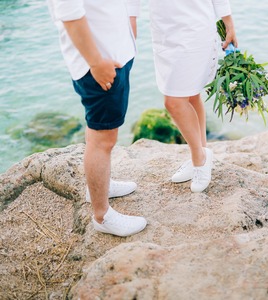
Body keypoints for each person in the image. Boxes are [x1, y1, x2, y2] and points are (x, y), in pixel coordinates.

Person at [47, 0, 147, 237]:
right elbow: (69, 12)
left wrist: (131, 19)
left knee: (103, 134)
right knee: (103, 139)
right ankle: (102, 215)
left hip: (116, 53)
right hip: (99, 64)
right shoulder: (97, 64)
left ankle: (100, 187)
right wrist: (95, 62)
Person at [148, 0, 238, 192]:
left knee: (173, 101)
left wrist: (228, 21)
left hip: (193, 31)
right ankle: (200, 152)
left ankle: (200, 158)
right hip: (164, 31)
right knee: (190, 96)